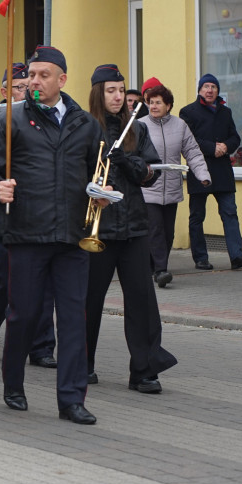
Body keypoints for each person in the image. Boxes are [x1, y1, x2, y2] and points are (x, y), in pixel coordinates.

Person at [0, 46, 102, 424]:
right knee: (24, 315)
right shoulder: (10, 120)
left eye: (43, 75)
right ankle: (13, 383)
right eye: (31, 74)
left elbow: (98, 172)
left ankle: (71, 399)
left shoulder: (84, 123)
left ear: (62, 79)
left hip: (72, 237)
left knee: (74, 319)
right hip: (26, 234)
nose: (34, 81)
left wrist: (101, 195)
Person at [84, 64, 176, 394]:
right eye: (111, 90)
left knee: (141, 300)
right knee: (88, 300)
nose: (118, 96)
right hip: (98, 226)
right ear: (98, 93)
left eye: (121, 90)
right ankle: (82, 363)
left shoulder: (136, 129)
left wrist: (127, 160)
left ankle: (144, 369)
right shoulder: (84, 127)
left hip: (135, 225)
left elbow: (151, 173)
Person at [0, 62, 58, 369]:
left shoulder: (49, 118)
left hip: (41, 216)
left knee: (44, 284)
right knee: (4, 283)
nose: (28, 90)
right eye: (21, 86)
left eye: (30, 84)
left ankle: (42, 346)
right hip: (8, 216)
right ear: (7, 91)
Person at [139, 82, 210, 287]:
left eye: (158, 103)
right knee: (156, 229)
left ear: (168, 105)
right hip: (147, 188)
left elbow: (193, 153)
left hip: (171, 188)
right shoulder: (140, 125)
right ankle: (161, 270)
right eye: (150, 102)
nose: (153, 106)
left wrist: (203, 175)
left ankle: (154, 265)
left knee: (168, 232)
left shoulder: (180, 126)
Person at [179, 73, 242, 271]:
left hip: (222, 171)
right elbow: (189, 141)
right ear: (200, 90)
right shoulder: (188, 112)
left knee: (230, 213)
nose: (210, 90)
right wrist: (213, 148)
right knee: (197, 216)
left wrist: (226, 147)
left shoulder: (225, 112)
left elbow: (235, 138)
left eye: (213, 87)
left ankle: (237, 256)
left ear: (218, 90)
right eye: (206, 86)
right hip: (199, 170)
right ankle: (200, 258)